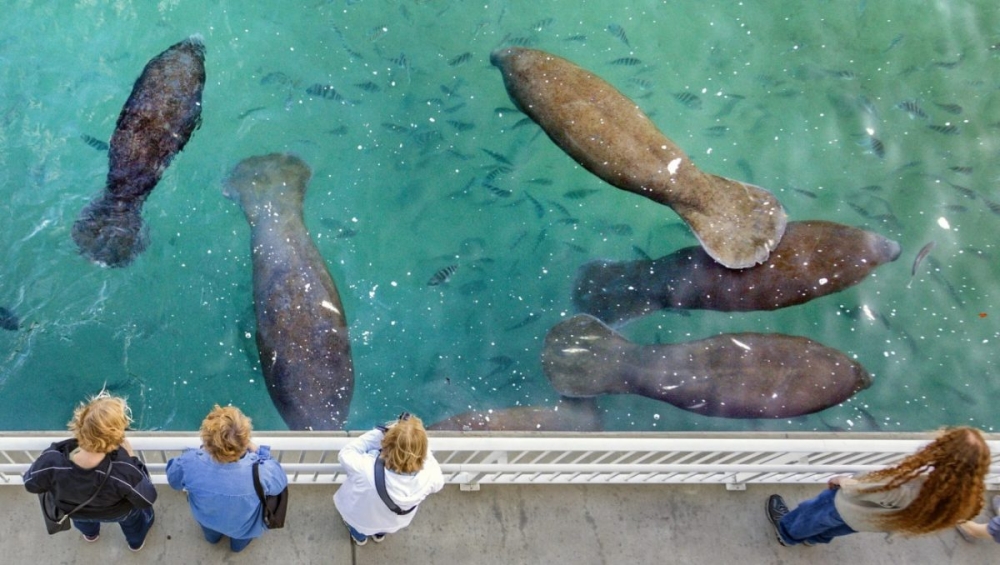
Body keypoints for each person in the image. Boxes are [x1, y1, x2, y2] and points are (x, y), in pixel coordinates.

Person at [765, 426, 990, 547]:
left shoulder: (905, 487)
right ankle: (813, 540)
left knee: (810, 517)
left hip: (844, 508)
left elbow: (862, 489)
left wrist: (841, 481)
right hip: (870, 522)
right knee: (831, 530)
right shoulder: (963, 496)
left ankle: (787, 534)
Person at [23, 391, 157, 551]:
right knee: (133, 522)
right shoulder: (124, 472)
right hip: (116, 512)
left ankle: (91, 535)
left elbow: (30, 484)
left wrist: (57, 452)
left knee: (83, 522)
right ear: (117, 436)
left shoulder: (51, 462)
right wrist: (133, 459)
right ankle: (135, 543)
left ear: (79, 424)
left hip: (76, 510)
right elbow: (147, 499)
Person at [166, 405, 288, 552]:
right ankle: (236, 548)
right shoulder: (262, 472)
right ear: (244, 441)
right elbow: (280, 482)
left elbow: (174, 480)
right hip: (244, 527)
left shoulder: (189, 463)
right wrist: (258, 450)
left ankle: (213, 539)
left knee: (211, 536)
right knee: (238, 545)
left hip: (207, 520)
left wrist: (199, 452)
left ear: (207, 441)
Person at [334, 412, 444, 546]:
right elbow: (437, 480)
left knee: (359, 529)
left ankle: (360, 538)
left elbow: (345, 453)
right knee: (383, 528)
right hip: (393, 522)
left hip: (362, 519)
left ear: (386, 444)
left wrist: (379, 434)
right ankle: (379, 535)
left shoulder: (366, 470)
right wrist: (416, 443)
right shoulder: (431, 476)